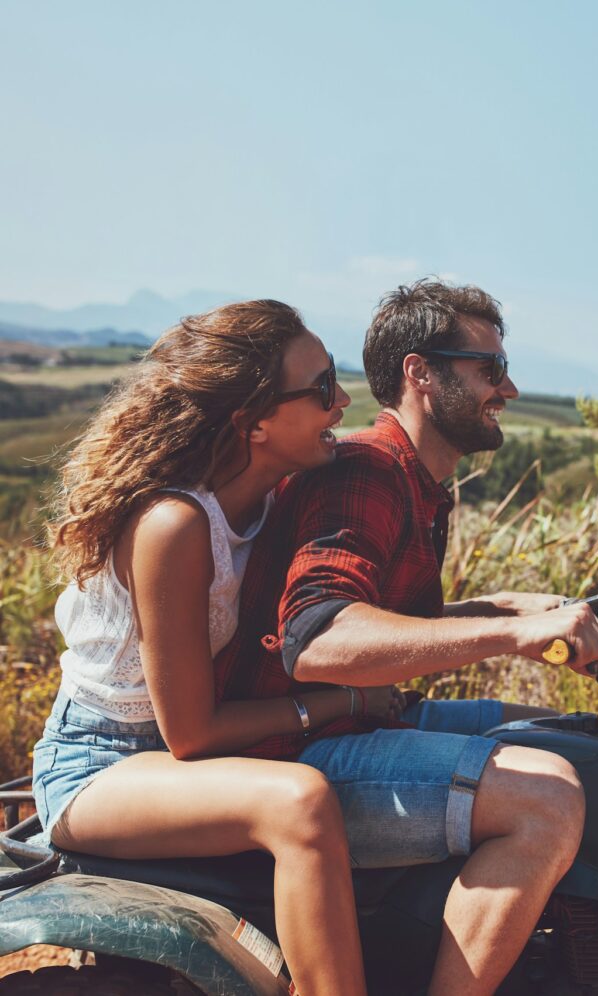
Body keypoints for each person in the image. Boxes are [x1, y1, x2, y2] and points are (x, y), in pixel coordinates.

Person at [213, 280, 598, 995]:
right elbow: (319, 636)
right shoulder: (367, 468)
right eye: (489, 369)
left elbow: (394, 623)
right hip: (298, 752)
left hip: (361, 722)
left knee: (563, 737)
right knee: (546, 799)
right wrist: (511, 636)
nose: (509, 387)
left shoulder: (420, 479)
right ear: (420, 372)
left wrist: (509, 608)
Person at [32, 300, 388, 996]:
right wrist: (338, 701)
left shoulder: (269, 500)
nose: (343, 400)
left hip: (165, 757)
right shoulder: (174, 523)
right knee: (300, 801)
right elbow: (190, 734)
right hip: (99, 762)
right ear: (251, 423)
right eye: (320, 388)